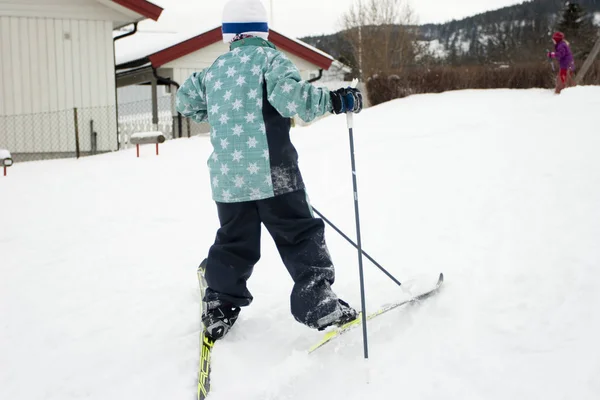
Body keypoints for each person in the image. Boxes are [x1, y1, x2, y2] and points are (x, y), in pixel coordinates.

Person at [176, 0, 363, 340]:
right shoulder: (271, 60)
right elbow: (295, 100)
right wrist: (336, 101)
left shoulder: (214, 70)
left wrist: (215, 112)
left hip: (229, 182)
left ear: (226, 35)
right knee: (301, 234)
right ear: (264, 31)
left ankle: (219, 303)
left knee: (235, 242)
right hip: (276, 175)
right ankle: (317, 303)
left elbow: (185, 101)